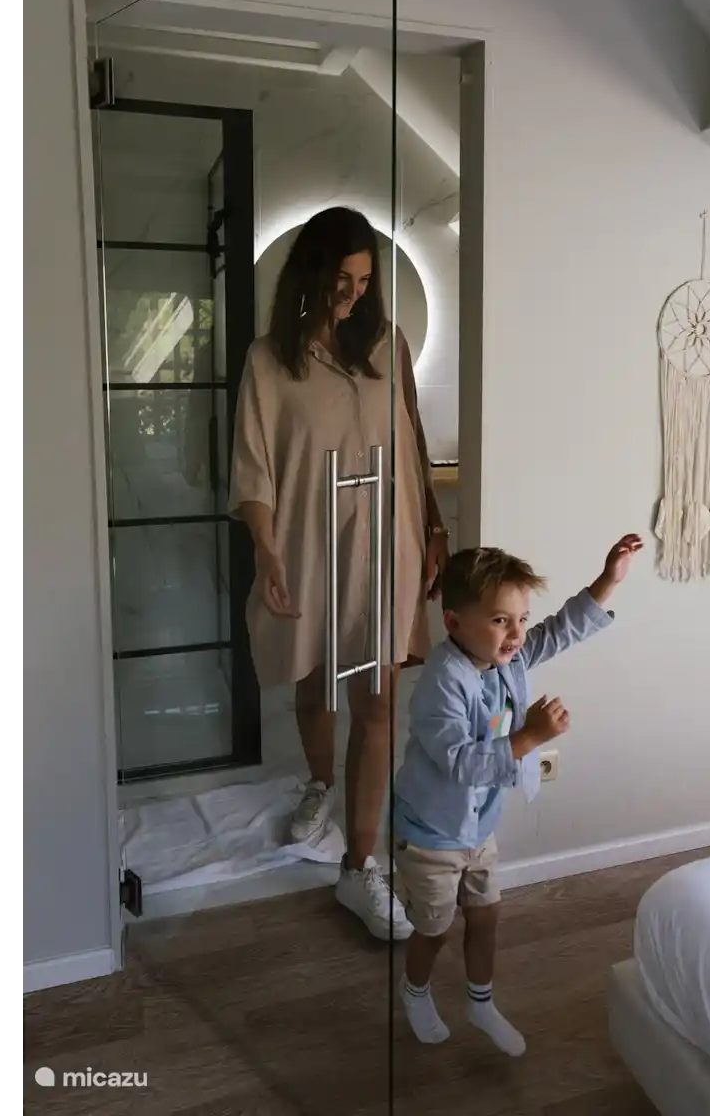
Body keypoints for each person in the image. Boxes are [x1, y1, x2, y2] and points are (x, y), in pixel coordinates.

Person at [228, 206, 451, 940]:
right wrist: (266, 550)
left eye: (363, 281)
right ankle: (320, 783)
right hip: (308, 544)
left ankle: (360, 866)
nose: (352, 295)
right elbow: (255, 467)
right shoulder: (270, 360)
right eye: (340, 280)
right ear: (310, 274)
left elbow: (413, 443)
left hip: (386, 542)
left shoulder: (390, 345)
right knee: (315, 678)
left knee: (377, 701)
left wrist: (434, 531)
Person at [389, 533, 645, 1054]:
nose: (517, 634)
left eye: (522, 619)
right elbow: (461, 762)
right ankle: (414, 991)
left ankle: (480, 1003)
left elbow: (559, 631)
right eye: (501, 620)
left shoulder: (507, 658)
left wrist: (608, 581)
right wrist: (530, 736)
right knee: (434, 929)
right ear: (454, 623)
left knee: (485, 916)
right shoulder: (442, 681)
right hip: (431, 834)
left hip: (478, 827)